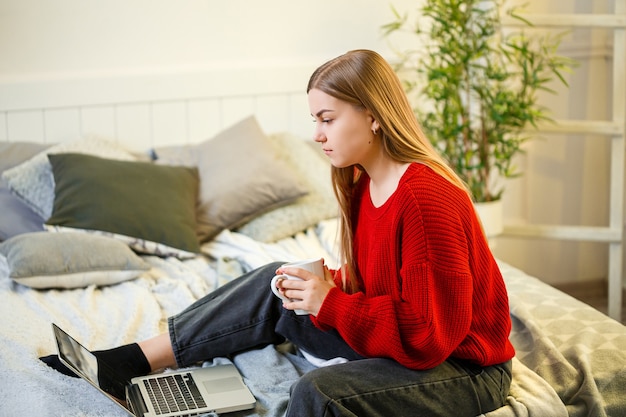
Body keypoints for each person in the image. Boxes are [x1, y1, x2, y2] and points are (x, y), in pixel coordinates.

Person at [42, 49, 515, 416]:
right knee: (276, 280)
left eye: (327, 119)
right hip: (413, 346)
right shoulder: (364, 182)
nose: (317, 134)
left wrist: (331, 303)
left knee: (320, 394)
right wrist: (331, 285)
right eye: (315, 120)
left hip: (462, 368)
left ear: (373, 114)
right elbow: (389, 281)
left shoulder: (425, 199)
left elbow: (431, 336)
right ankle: (127, 361)